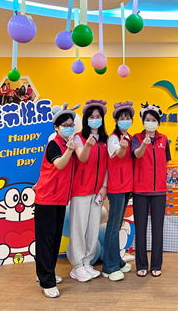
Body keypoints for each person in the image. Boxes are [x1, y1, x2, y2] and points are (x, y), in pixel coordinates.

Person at [33, 103, 81, 298]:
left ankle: (47, 273)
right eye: (65, 125)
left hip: (60, 199)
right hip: (46, 199)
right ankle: (47, 282)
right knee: (46, 241)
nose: (68, 128)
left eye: (71, 125)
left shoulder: (66, 143)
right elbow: (59, 164)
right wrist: (69, 151)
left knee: (53, 240)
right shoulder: (54, 144)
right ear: (56, 127)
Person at [68, 99, 109, 283]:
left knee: (92, 228)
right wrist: (88, 145)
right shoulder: (78, 138)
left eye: (98, 116)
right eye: (91, 117)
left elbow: (107, 166)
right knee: (79, 229)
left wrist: (104, 187)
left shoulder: (106, 140)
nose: (95, 119)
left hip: (97, 192)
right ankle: (77, 266)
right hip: (80, 190)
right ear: (86, 119)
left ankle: (87, 262)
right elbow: (82, 158)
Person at [132, 102, 171, 278]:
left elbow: (166, 161)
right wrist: (144, 144)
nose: (150, 122)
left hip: (159, 192)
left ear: (158, 122)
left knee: (158, 230)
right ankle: (141, 265)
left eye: (153, 120)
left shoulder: (164, 139)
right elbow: (137, 155)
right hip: (140, 190)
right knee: (140, 229)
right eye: (147, 120)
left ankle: (156, 265)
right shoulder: (136, 138)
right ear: (143, 121)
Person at [102, 101, 135, 281]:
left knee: (118, 224)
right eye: (121, 118)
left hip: (126, 187)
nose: (125, 120)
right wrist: (122, 146)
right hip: (116, 188)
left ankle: (117, 261)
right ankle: (109, 266)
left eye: (128, 117)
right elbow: (119, 155)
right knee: (113, 227)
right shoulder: (113, 139)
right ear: (116, 120)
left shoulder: (130, 137)